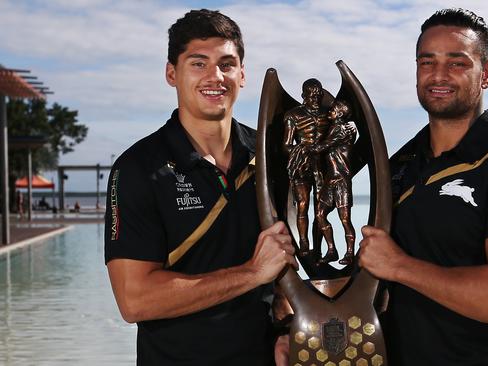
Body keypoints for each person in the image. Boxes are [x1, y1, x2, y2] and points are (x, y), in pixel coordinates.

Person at [358, 8, 488, 365]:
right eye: (427, 62)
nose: (438, 75)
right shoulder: (399, 165)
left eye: (457, 63)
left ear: (487, 73)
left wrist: (400, 266)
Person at [104, 9, 296, 365]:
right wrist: (252, 273)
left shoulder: (272, 158)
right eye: (198, 63)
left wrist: (287, 330)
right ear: (171, 73)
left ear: (242, 75)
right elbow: (135, 300)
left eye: (227, 64)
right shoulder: (137, 169)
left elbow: (284, 264)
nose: (215, 76)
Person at [283, 79, 330, 256]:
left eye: (318, 95)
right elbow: (286, 145)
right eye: (311, 96)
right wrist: (300, 152)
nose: (315, 99)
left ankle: (318, 248)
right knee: (302, 204)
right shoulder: (293, 115)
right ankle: (303, 242)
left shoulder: (328, 114)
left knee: (321, 208)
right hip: (302, 166)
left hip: (323, 166)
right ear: (304, 96)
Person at [313, 99, 357, 265]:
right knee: (320, 214)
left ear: (339, 113)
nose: (329, 111)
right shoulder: (336, 127)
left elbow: (322, 146)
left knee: (344, 219)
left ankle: (350, 253)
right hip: (330, 179)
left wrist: (304, 147)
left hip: (341, 180)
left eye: (333, 110)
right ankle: (331, 250)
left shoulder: (340, 129)